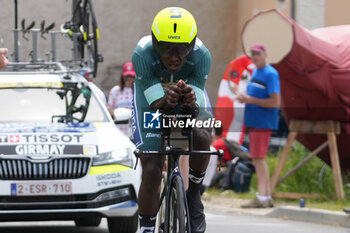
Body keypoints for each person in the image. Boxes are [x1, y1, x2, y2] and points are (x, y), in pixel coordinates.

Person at [132, 7, 212, 233]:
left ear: (192, 44)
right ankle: (146, 228)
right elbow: (156, 106)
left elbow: (194, 111)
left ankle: (194, 195)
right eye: (166, 49)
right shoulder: (142, 54)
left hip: (185, 93)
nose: (174, 57)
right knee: (152, 167)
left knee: (202, 133)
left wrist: (189, 102)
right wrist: (165, 102)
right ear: (156, 44)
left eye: (182, 50)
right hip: (149, 102)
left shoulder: (202, 56)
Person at [237, 44, 280, 208]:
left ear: (265, 54)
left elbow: (275, 101)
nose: (255, 57)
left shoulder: (271, 73)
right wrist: (245, 98)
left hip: (263, 122)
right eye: (252, 54)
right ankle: (266, 196)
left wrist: (251, 100)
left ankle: (262, 197)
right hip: (254, 122)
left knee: (259, 158)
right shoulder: (256, 71)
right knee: (258, 158)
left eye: (258, 54)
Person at [107, 62, 135, 136]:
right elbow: (109, 110)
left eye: (131, 76)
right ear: (122, 76)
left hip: (133, 130)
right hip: (119, 130)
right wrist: (119, 113)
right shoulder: (115, 91)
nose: (129, 79)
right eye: (127, 76)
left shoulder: (138, 91)